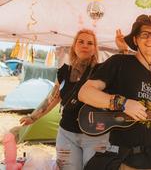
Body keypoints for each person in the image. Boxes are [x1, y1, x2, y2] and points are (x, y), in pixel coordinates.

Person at [78, 14, 151, 170]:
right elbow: (85, 93)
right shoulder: (119, 63)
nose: (149, 38)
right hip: (128, 161)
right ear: (135, 40)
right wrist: (123, 103)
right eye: (144, 34)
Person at [19, 29, 109, 170]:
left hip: (95, 136)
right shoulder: (64, 71)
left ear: (94, 49)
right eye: (81, 42)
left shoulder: (103, 70)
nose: (85, 45)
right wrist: (33, 117)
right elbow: (53, 97)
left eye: (90, 43)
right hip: (67, 134)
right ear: (74, 46)